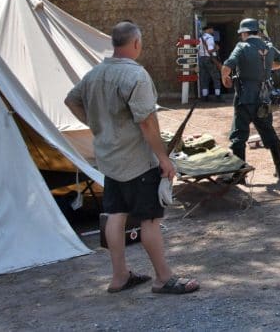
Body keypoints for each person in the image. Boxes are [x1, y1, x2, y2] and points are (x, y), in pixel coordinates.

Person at [64, 22, 199, 295]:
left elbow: (71, 100)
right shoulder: (135, 76)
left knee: (115, 216)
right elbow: (147, 123)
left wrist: (97, 124)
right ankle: (163, 278)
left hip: (110, 159)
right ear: (136, 43)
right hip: (138, 161)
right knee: (149, 220)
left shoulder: (95, 74)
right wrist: (164, 158)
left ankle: (119, 276)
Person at [221, 18, 280, 179]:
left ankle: (240, 176)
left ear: (244, 32)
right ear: (257, 32)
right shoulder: (268, 47)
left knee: (239, 137)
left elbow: (227, 66)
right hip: (264, 99)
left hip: (245, 97)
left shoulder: (242, 46)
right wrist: (270, 67)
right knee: (269, 133)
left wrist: (225, 78)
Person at [197, 25, 222, 102]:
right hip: (210, 59)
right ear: (208, 30)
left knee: (204, 78)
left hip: (201, 59)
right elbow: (210, 51)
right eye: (211, 29)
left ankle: (205, 97)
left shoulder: (200, 38)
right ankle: (218, 96)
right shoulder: (210, 38)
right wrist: (216, 48)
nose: (212, 30)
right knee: (216, 77)